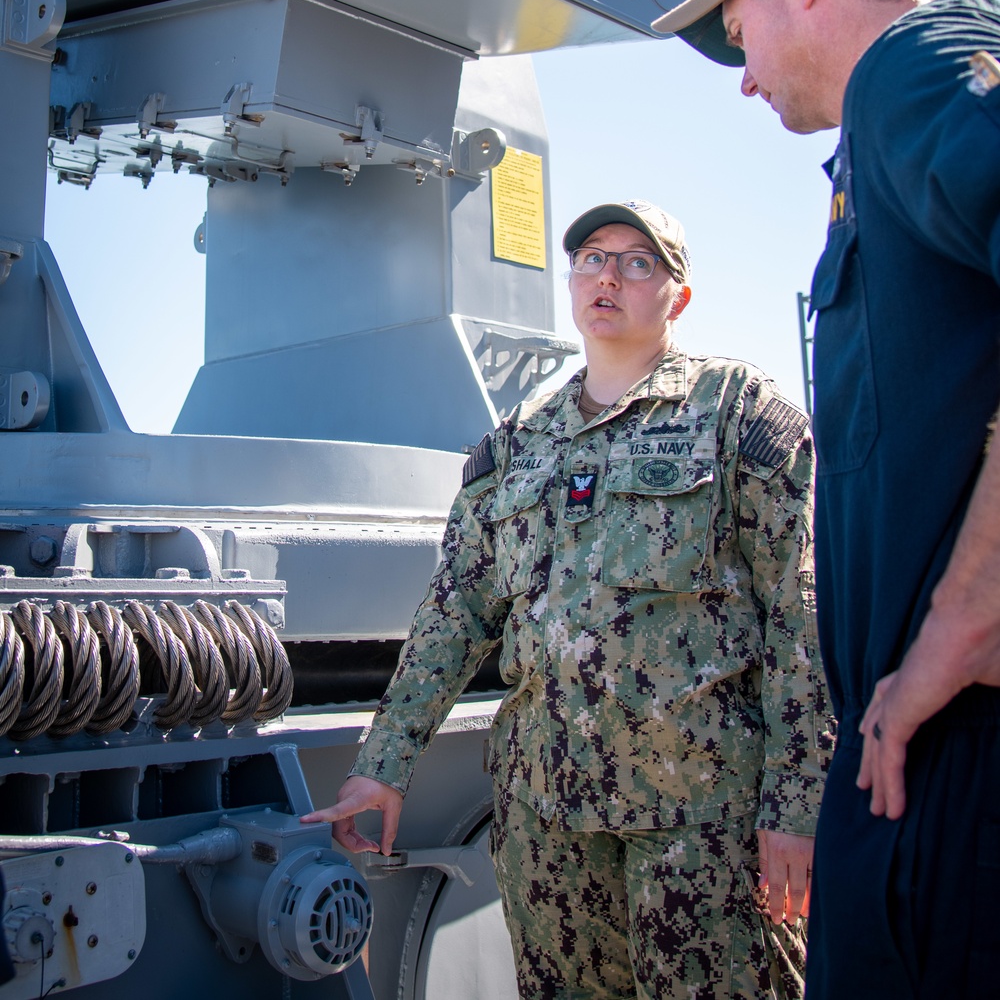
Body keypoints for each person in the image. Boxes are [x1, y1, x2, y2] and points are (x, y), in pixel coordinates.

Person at [303, 199, 832, 1000]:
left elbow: (803, 618)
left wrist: (797, 806)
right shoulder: (513, 445)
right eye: (590, 257)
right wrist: (384, 766)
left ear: (677, 296)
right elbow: (454, 617)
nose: (608, 275)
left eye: (637, 261)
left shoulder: (737, 416)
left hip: (702, 824)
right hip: (546, 826)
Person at [652, 0, 1000, 998]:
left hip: (950, 769)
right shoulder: (898, 118)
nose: (741, 81)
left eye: (735, 30)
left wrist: (961, 623)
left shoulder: (915, 70)